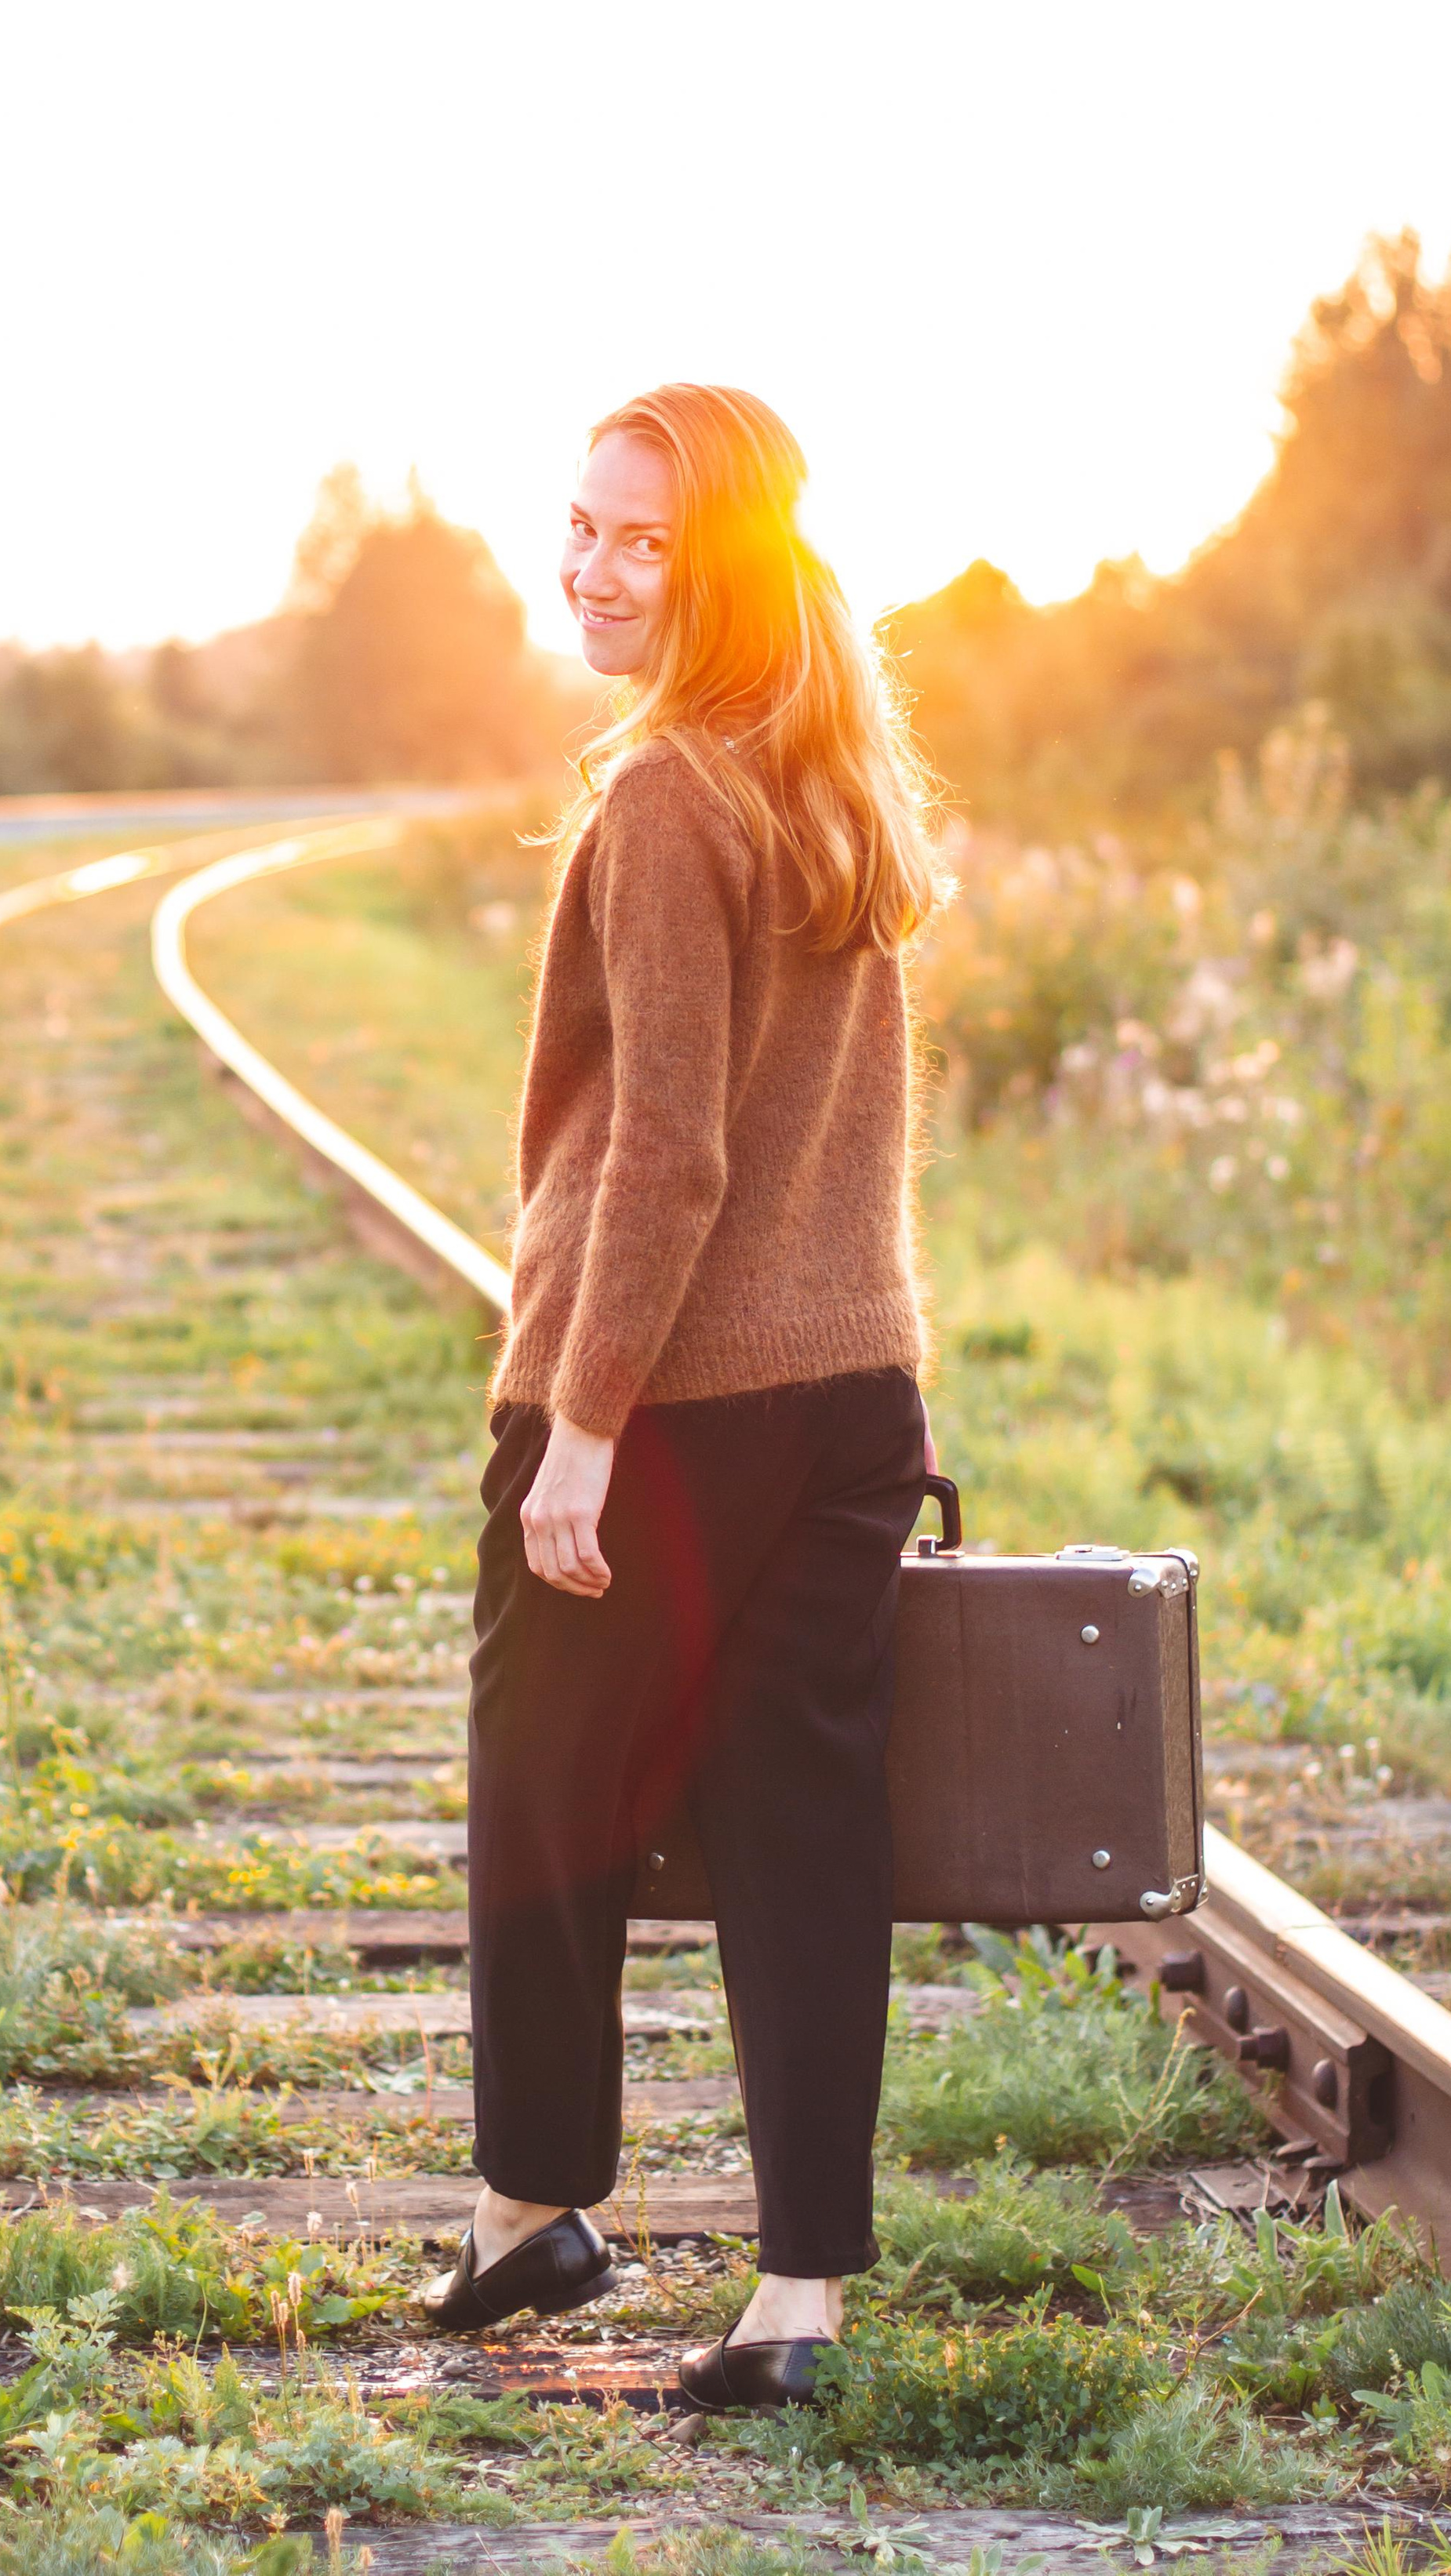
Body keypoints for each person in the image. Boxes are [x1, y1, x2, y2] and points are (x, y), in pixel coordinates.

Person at [423, 384, 944, 2413]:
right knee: (805, 1829)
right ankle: (798, 2297)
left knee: (543, 1807)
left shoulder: (663, 798)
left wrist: (583, 1420)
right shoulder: (828, 782)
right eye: (579, 528)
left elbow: (669, 1154)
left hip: (675, 1412)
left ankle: (527, 2205)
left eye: (640, 539)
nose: (591, 567)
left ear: (720, 561)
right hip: (850, 1398)